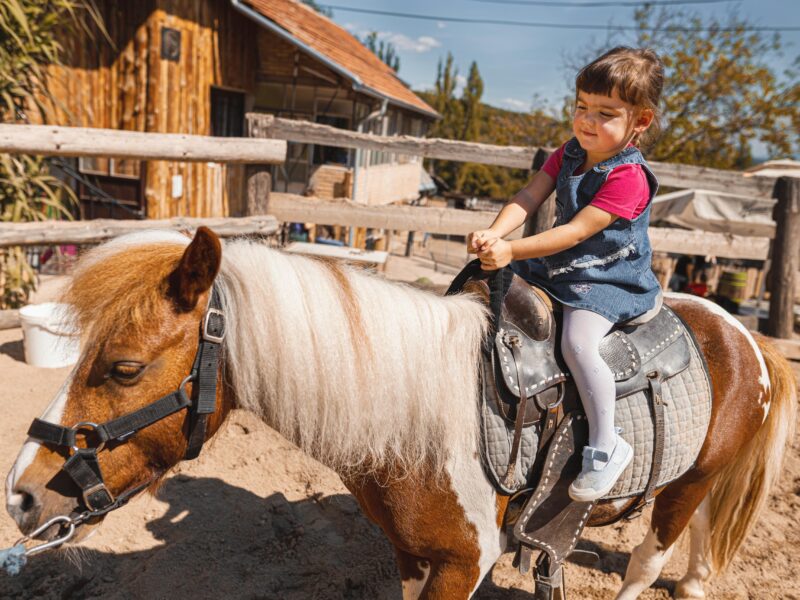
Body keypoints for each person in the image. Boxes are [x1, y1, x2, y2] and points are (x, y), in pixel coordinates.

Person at [467, 46, 664, 502]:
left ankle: (605, 444)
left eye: (605, 113)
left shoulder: (628, 177)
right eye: (582, 107)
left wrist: (511, 248)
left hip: (606, 280)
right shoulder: (570, 153)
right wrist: (493, 232)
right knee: (487, 293)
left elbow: (576, 231)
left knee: (577, 343)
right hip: (561, 268)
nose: (588, 121)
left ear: (641, 121)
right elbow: (531, 193)